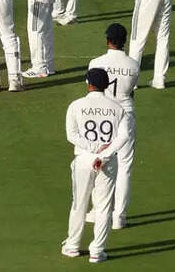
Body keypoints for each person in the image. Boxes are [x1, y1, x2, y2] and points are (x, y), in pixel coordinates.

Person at [61, 68, 131, 264]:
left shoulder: (76, 105)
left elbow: (71, 135)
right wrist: (104, 154)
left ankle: (72, 246)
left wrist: (93, 149)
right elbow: (124, 136)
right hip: (108, 161)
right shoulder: (118, 109)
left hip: (84, 158)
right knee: (104, 207)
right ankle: (97, 251)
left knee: (79, 203)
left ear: (88, 83)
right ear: (106, 85)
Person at [87, 23, 140, 229]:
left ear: (107, 39)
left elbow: (92, 89)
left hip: (103, 115)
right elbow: (131, 91)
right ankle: (119, 217)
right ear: (124, 41)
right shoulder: (134, 65)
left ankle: (98, 210)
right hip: (125, 113)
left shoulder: (96, 63)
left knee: (98, 159)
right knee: (125, 165)